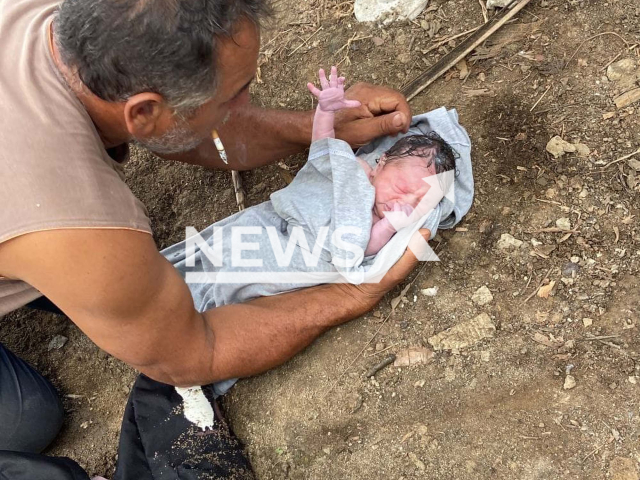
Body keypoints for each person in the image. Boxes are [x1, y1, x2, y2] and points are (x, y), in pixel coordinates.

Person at [0, 0, 429, 477]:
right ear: (142, 112)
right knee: (27, 421)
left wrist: (318, 132)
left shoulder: (61, 19)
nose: (244, 106)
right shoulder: (73, 219)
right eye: (234, 97)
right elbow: (191, 354)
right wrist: (352, 292)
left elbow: (185, 129)